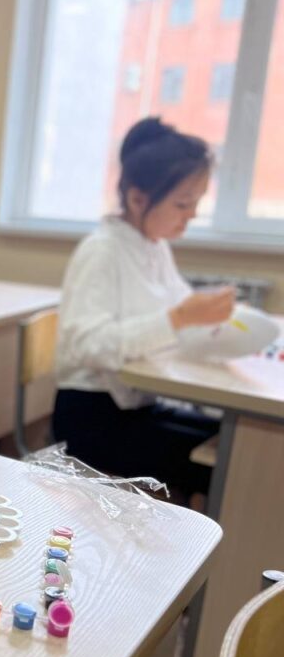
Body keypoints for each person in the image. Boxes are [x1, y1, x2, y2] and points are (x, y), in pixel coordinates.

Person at [52, 117, 234, 505]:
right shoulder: (102, 250)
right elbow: (88, 344)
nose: (191, 215)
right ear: (137, 199)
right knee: (228, 464)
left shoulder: (155, 246)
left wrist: (216, 323)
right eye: (182, 204)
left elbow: (182, 314)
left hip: (140, 405)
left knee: (230, 440)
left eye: (197, 203)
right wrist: (180, 318)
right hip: (93, 418)